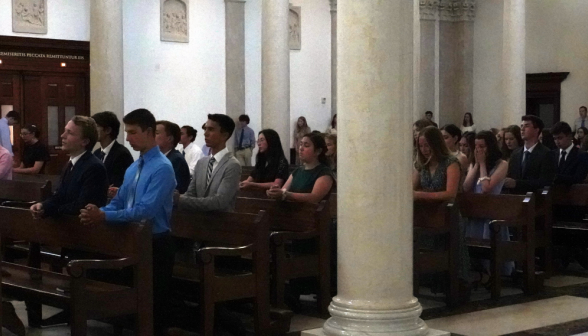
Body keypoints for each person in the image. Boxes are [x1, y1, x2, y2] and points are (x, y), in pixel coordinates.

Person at [79, 108, 176, 334]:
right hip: (130, 240)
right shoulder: (134, 167)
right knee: (129, 303)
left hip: (155, 244)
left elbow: (144, 211)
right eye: (127, 132)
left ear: (149, 131)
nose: (128, 138)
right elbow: (120, 201)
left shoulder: (162, 167)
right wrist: (99, 211)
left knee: (153, 306)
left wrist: (104, 216)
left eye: (133, 132)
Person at [413, 126, 469, 289]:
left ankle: (454, 283)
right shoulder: (421, 165)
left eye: (427, 146)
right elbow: (411, 188)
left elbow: (450, 193)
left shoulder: (451, 163)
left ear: (436, 144)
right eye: (421, 146)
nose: (424, 150)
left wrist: (420, 195)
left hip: (446, 215)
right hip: (427, 216)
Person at [30, 116, 108, 218]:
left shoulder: (94, 167)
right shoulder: (70, 164)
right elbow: (60, 195)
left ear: (84, 142)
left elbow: (82, 206)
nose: (62, 136)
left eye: (70, 133)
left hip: (82, 228)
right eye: (64, 131)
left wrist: (49, 210)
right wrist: (43, 205)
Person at [463, 131, 514, 279]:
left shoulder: (502, 164)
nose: (479, 150)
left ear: (490, 147)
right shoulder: (475, 163)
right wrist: (477, 164)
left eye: (482, 146)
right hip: (475, 212)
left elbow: (486, 188)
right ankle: (477, 273)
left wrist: (483, 164)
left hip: (491, 214)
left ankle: (493, 274)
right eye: (476, 146)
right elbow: (466, 187)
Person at [177, 114, 241, 212]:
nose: (205, 134)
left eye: (211, 129)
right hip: (197, 220)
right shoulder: (201, 163)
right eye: (205, 129)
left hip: (221, 223)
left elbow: (219, 202)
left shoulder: (232, 165)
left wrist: (179, 199)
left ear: (225, 135)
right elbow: (190, 194)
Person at [267, 133, 334, 204]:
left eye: (306, 145)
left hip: (311, 213)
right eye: (301, 144)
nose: (301, 148)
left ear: (318, 151)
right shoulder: (297, 171)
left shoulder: (324, 172)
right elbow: (283, 191)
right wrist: (275, 192)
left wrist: (285, 194)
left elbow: (314, 198)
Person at [504, 115, 554, 194]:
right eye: (521, 126)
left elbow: (544, 182)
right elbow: (511, 175)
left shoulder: (546, 153)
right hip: (515, 198)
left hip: (535, 199)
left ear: (536, 130)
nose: (522, 129)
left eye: (526, 126)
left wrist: (517, 183)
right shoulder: (515, 153)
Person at [91, 111, 134, 188]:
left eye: (95, 127)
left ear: (108, 130)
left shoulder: (122, 154)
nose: (92, 131)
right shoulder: (96, 153)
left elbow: (117, 185)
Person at [156, 120, 190, 194]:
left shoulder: (176, 160)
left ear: (170, 139)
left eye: (156, 133)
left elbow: (171, 191)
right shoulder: (156, 158)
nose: (152, 136)